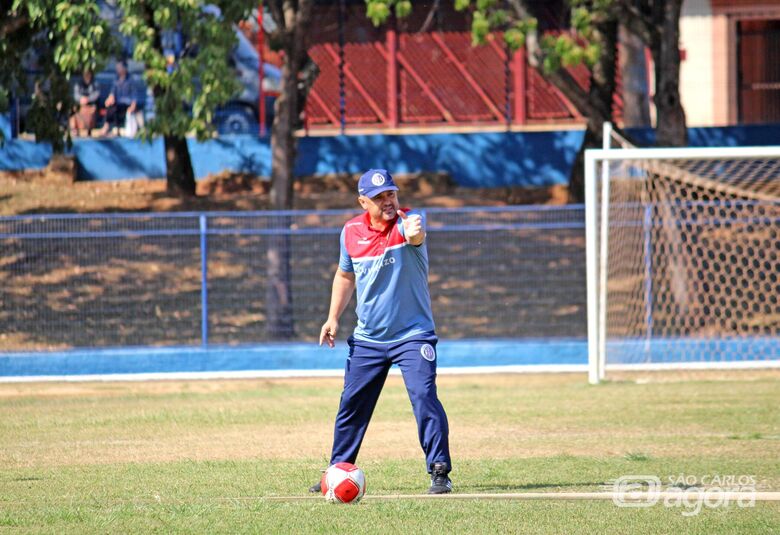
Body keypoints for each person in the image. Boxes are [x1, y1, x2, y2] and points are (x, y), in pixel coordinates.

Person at [310, 169, 453, 495]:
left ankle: (440, 470)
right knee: (352, 404)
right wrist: (332, 317)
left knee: (423, 396)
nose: (388, 201)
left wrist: (415, 232)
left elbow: (416, 235)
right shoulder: (350, 232)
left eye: (391, 194)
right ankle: (336, 472)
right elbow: (345, 277)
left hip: (413, 335)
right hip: (369, 338)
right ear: (363, 201)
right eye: (379, 198)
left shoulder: (409, 222)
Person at [99, 60, 137, 136]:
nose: (117, 69)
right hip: (117, 103)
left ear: (124, 68)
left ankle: (114, 128)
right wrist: (109, 98)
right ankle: (107, 127)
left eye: (119, 67)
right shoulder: (116, 79)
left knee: (117, 109)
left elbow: (134, 95)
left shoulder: (130, 80)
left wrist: (133, 105)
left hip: (127, 103)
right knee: (110, 108)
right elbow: (112, 92)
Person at [69, 69, 100, 136]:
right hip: (80, 103)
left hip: (91, 103)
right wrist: (81, 99)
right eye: (85, 73)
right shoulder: (79, 83)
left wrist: (88, 99)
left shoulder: (94, 83)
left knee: (92, 110)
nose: (87, 75)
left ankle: (89, 129)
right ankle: (74, 128)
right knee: (73, 110)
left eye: (88, 73)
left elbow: (96, 94)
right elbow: (76, 94)